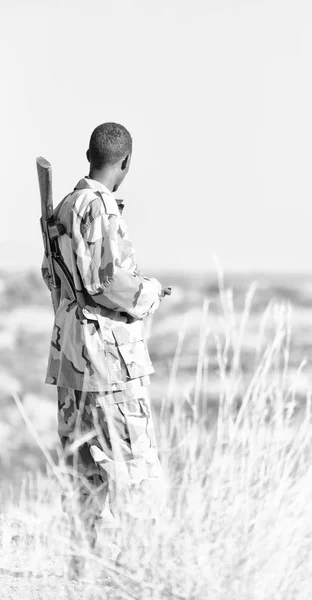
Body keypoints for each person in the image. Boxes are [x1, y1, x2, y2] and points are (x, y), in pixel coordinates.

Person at [41, 122, 171, 579]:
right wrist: (150, 294)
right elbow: (107, 280)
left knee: (85, 472)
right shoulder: (98, 207)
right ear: (125, 163)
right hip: (109, 359)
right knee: (137, 469)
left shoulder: (63, 208)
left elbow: (53, 279)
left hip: (70, 354)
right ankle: (137, 573)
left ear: (88, 154)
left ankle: (84, 572)